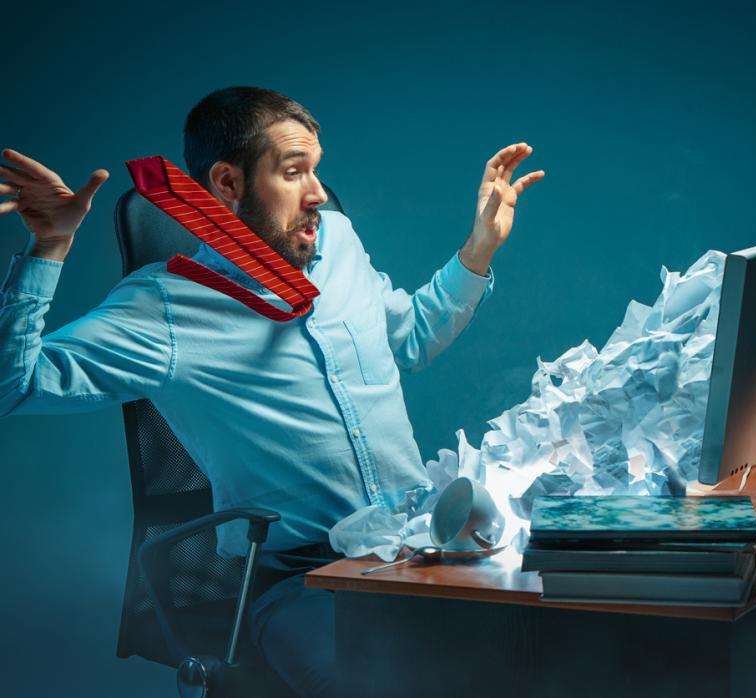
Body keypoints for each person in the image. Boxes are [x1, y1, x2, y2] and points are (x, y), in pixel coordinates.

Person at [0, 86, 543, 696]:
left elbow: (409, 339)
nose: (317, 193)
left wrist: (480, 248)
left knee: (574, 636)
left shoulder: (338, 241)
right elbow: (11, 386)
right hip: (307, 581)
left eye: (316, 170)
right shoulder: (166, 307)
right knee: (403, 683)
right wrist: (49, 248)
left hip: (425, 552)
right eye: (293, 172)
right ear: (227, 184)